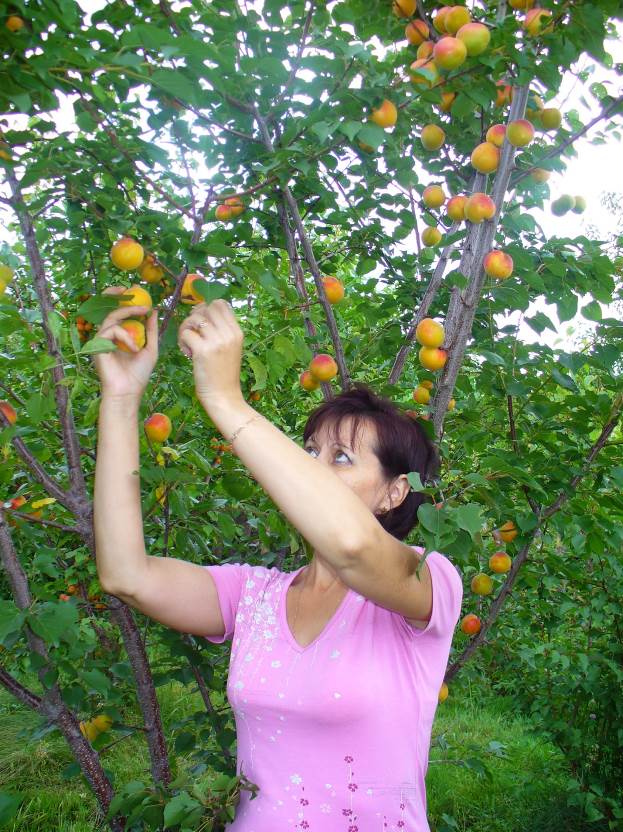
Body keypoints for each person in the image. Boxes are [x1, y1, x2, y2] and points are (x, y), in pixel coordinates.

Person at [93, 292, 464, 831]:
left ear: (394, 492)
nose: (309, 468)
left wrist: (225, 398)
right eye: (309, 451)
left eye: (341, 458)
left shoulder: (428, 583)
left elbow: (354, 546)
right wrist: (122, 397)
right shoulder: (254, 595)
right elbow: (126, 575)